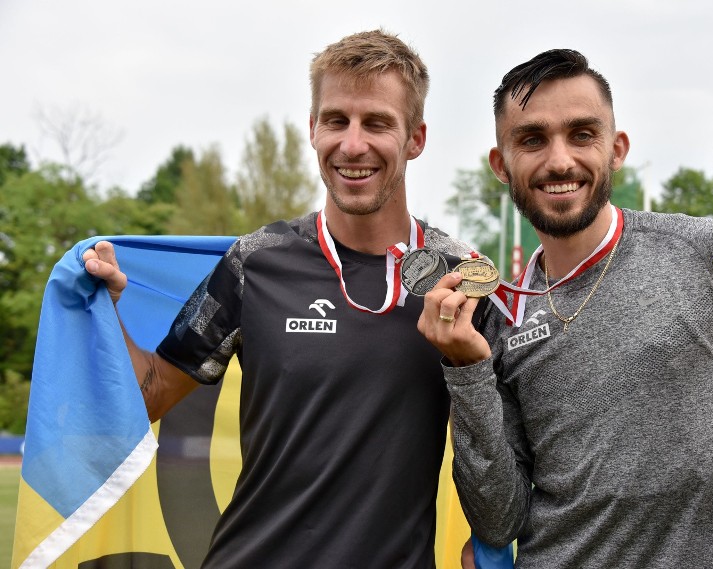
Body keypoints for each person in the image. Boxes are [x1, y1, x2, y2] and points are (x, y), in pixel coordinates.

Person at [418, 49, 713, 568]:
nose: (559, 160)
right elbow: (498, 519)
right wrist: (467, 371)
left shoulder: (707, 253)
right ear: (501, 164)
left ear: (616, 148)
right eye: (532, 139)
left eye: (582, 134)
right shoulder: (498, 318)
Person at [84, 30, 474, 568]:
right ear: (312, 129)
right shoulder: (254, 262)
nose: (352, 144)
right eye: (336, 120)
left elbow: (499, 452)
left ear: (416, 138)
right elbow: (149, 398)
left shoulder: (459, 278)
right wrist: (107, 310)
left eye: (378, 122)